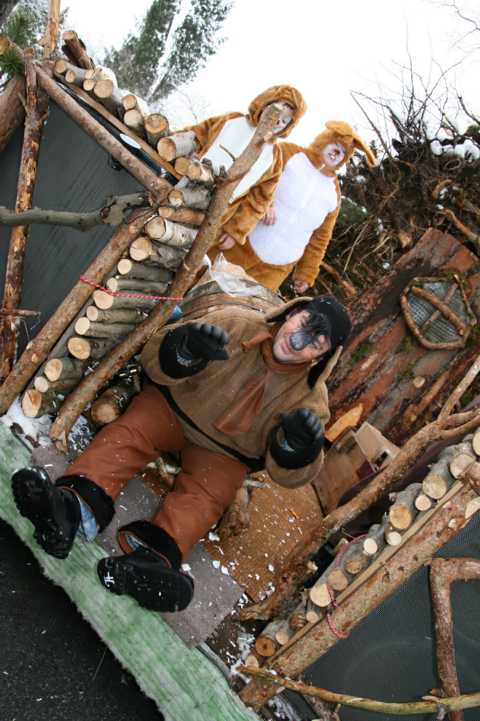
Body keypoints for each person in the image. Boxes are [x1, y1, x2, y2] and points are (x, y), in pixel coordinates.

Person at [11, 293, 351, 614]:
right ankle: (70, 510)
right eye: (304, 324)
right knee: (129, 436)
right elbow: (153, 354)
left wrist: (295, 447)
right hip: (170, 409)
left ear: (320, 358)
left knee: (205, 497)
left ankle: (150, 563)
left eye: (316, 343)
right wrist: (184, 350)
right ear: (292, 313)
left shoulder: (311, 400)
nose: (299, 341)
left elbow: (292, 476)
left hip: (226, 454)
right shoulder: (236, 322)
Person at [218, 120, 376, 292]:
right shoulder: (289, 153)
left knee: (245, 308)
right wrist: (264, 206)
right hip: (240, 245)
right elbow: (256, 178)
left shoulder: (334, 193)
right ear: (325, 139)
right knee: (206, 288)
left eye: (344, 152)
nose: (337, 153)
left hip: (274, 270)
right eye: (336, 145)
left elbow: (320, 238)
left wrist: (306, 274)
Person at [159, 85, 306, 250]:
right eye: (276, 112)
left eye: (285, 121)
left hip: (212, 212)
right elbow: (198, 133)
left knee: (177, 243)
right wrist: (170, 143)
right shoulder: (233, 121)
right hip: (187, 181)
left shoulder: (274, 157)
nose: (278, 121)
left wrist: (235, 232)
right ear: (263, 104)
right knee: (157, 215)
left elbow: (259, 201)